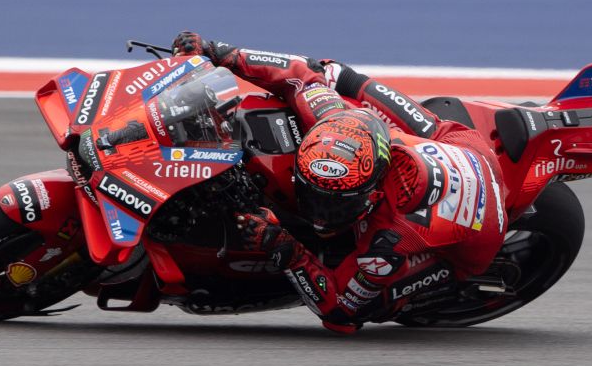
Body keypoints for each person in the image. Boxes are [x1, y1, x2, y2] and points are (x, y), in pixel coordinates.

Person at [172, 31, 507, 333]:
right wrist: (219, 52)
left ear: (372, 194)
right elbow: (300, 72)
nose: (318, 214)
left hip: (475, 233)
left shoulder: (389, 239)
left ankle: (430, 288)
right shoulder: (332, 117)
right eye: (313, 196)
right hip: (449, 143)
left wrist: (286, 250)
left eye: (334, 204)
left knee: (372, 304)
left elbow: (340, 313)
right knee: (334, 74)